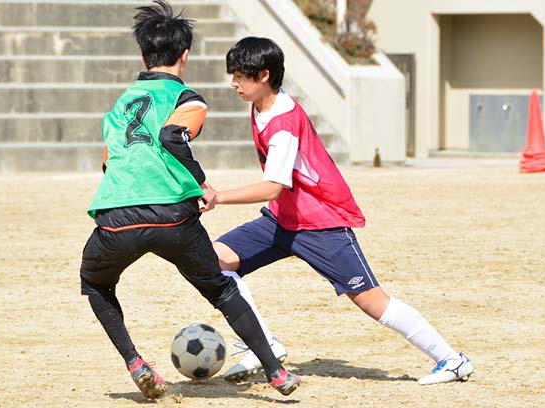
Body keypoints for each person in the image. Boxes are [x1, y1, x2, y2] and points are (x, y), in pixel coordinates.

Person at [203, 37, 474, 386]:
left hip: (320, 223)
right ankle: (263, 344)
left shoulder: (284, 122)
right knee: (215, 261)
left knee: (372, 301)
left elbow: (274, 186)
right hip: (282, 219)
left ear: (265, 76)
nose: (233, 83)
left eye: (241, 76)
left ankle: (452, 360)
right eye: (233, 75)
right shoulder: (259, 105)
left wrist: (219, 197)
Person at [79, 6, 300, 400]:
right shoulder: (188, 98)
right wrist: (201, 183)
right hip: (173, 217)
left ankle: (135, 362)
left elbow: (107, 161)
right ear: (184, 56)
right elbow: (172, 137)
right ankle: (276, 371)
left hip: (116, 218)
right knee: (220, 288)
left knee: (96, 285)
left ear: (143, 56)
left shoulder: (120, 104)